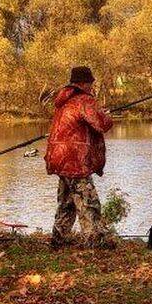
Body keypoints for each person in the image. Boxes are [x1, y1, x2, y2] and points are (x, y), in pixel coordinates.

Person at [44, 66, 115, 246]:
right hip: (75, 159)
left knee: (66, 203)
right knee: (89, 203)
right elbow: (101, 124)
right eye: (90, 83)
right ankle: (96, 242)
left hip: (59, 158)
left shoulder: (63, 101)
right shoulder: (84, 100)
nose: (92, 87)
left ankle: (58, 239)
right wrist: (106, 116)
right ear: (84, 84)